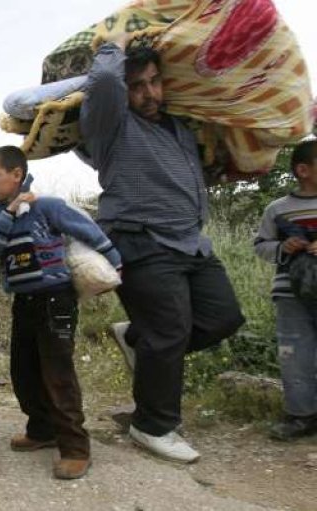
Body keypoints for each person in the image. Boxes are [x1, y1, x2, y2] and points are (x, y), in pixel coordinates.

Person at [79, 33, 245, 463]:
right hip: (139, 239)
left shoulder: (178, 129)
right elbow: (102, 85)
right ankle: (152, 425)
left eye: (154, 81)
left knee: (223, 317)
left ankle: (138, 338)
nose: (149, 93)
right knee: (169, 330)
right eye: (137, 85)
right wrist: (113, 45)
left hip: (190, 243)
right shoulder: (110, 124)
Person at [0, 145, 122, 479]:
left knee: (57, 373)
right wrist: (11, 210)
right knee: (23, 372)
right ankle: (42, 431)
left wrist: (115, 264)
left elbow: (89, 231)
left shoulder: (48, 207)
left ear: (16, 175)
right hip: (23, 303)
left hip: (56, 299)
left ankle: (75, 448)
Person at [253, 139, 317, 441]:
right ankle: (301, 416)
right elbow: (261, 247)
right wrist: (282, 246)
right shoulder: (277, 210)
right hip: (290, 293)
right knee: (295, 354)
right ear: (303, 170)